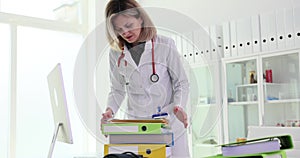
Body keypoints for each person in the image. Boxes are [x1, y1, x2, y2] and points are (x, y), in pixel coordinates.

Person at [101, 0, 190, 157]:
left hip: (168, 124)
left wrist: (179, 106)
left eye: (129, 25)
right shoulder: (115, 53)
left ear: (141, 18)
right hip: (137, 126)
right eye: (119, 29)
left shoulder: (165, 45)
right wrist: (110, 111)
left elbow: (181, 82)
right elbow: (117, 89)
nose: (125, 33)